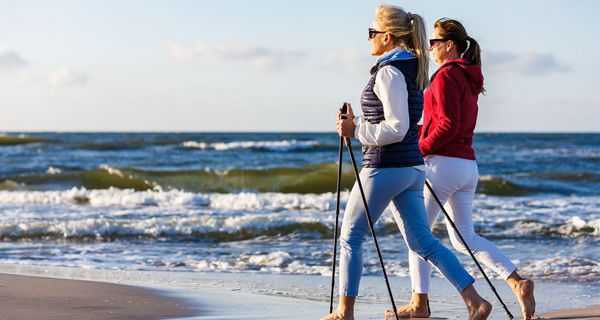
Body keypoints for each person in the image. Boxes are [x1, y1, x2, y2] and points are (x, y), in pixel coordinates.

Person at [321, 6, 492, 320]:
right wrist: (358, 123)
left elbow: (396, 127)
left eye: (371, 33)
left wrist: (355, 129)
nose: (369, 39)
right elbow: (402, 121)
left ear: (387, 37)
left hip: (385, 168)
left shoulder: (389, 71)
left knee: (350, 237)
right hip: (411, 169)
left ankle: (344, 312)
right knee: (422, 241)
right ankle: (475, 301)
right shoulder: (415, 67)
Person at [390, 18, 536, 320]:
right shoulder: (468, 76)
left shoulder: (445, 77)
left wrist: (420, 148)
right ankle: (516, 282)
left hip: (442, 165)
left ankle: (420, 304)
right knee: (464, 237)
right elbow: (442, 122)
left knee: (417, 235)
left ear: (449, 45)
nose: (429, 47)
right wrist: (410, 134)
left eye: (434, 42)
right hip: (467, 166)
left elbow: (447, 124)